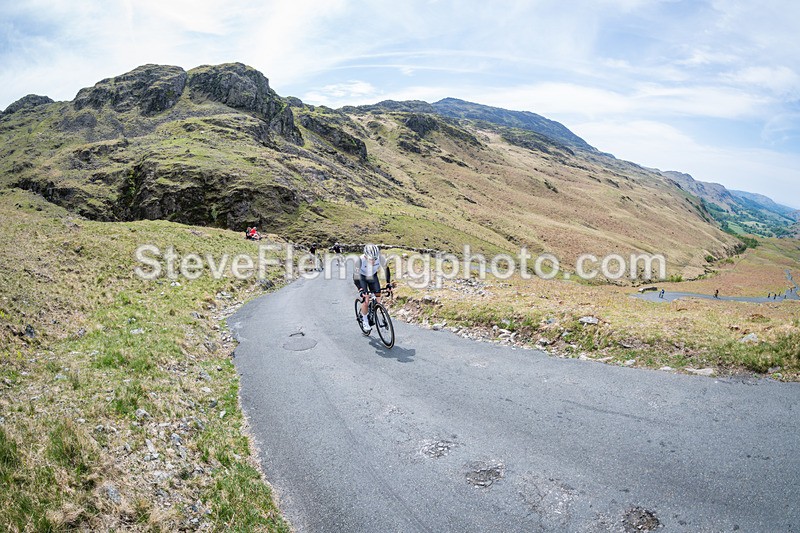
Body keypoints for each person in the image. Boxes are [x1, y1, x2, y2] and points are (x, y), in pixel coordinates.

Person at [353, 244, 392, 326]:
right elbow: (355, 277)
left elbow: (386, 269)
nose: (373, 261)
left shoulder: (380, 258)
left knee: (378, 298)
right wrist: (360, 289)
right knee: (366, 300)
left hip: (373, 276)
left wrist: (388, 283)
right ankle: (365, 320)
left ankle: (372, 310)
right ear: (366, 256)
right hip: (361, 277)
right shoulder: (360, 261)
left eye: (375, 258)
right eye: (371, 259)